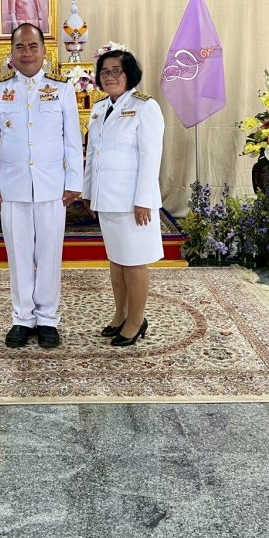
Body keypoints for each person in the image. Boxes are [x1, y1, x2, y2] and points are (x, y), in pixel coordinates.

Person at [0, 23, 83, 348]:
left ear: (44, 51)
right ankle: (22, 318)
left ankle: (48, 318)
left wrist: (74, 180)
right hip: (13, 187)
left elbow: (72, 139)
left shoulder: (62, 89)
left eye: (33, 46)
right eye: (20, 47)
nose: (27, 53)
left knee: (50, 253)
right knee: (19, 254)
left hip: (52, 186)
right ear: (11, 53)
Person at [83, 48, 164, 347]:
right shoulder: (99, 108)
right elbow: (93, 154)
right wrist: (89, 193)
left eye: (116, 70)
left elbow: (151, 157)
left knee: (134, 262)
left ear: (129, 74)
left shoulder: (145, 107)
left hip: (133, 202)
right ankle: (121, 314)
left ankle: (136, 320)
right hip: (107, 198)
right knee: (117, 261)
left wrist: (143, 199)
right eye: (105, 71)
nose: (110, 76)